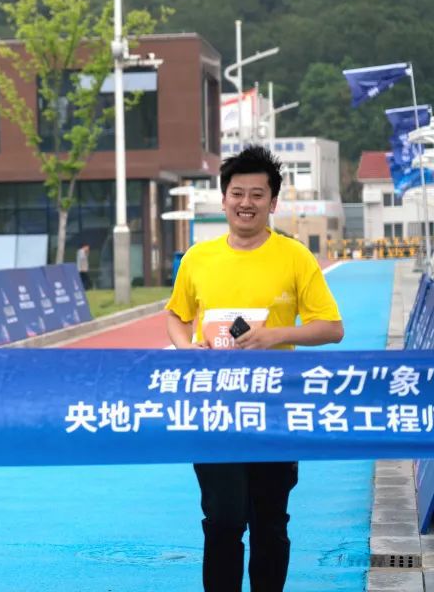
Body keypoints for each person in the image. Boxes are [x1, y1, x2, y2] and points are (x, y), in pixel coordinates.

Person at [164, 145, 344, 592]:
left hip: (275, 408)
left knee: (270, 520)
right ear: (223, 198)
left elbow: (331, 328)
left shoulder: (295, 257)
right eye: (237, 193)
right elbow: (176, 315)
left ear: (273, 202)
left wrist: (274, 336)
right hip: (213, 408)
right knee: (223, 519)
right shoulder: (198, 258)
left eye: (257, 195)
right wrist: (186, 348)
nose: (246, 203)